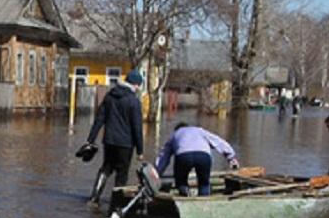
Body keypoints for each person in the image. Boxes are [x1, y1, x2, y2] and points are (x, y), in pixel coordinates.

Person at [85, 69, 146, 206]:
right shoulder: (133, 101)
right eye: (138, 85)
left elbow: (99, 119)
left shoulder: (109, 96)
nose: (138, 88)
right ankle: (116, 204)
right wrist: (140, 150)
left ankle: (94, 198)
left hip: (109, 141)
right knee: (122, 173)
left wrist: (90, 139)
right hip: (125, 144)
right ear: (135, 85)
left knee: (106, 168)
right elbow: (137, 127)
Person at [155, 122, 240, 196]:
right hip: (203, 155)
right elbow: (218, 142)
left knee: (181, 181)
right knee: (204, 183)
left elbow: (164, 157)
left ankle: (185, 192)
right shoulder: (200, 131)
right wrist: (231, 157)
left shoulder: (175, 134)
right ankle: (204, 201)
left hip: (184, 156)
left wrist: (157, 172)